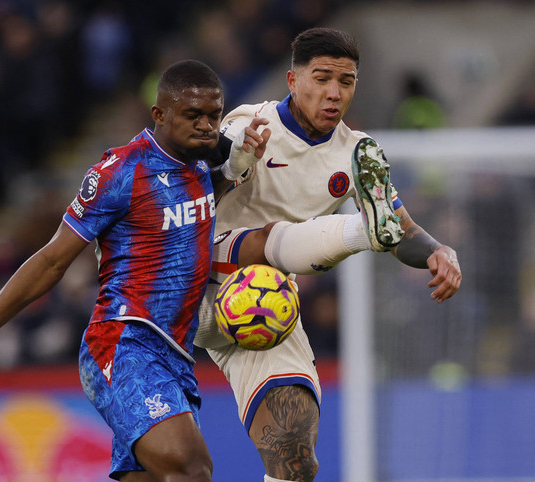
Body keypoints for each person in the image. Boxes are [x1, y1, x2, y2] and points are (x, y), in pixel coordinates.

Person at [0, 59, 269, 482]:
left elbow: (198, 200)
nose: (207, 126)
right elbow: (51, 259)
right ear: (159, 114)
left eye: (214, 115)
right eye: (193, 115)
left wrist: (236, 166)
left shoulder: (202, 161)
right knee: (192, 469)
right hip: (124, 344)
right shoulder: (120, 172)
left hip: (176, 355)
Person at [195, 28, 462, 482]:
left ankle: (367, 228)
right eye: (322, 78)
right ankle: (361, 230)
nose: (335, 93)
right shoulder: (250, 124)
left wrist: (439, 252)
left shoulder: (356, 153)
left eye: (347, 81)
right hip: (194, 283)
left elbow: (405, 232)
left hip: (263, 306)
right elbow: (188, 192)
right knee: (268, 244)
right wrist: (233, 163)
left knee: (296, 456)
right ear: (292, 80)